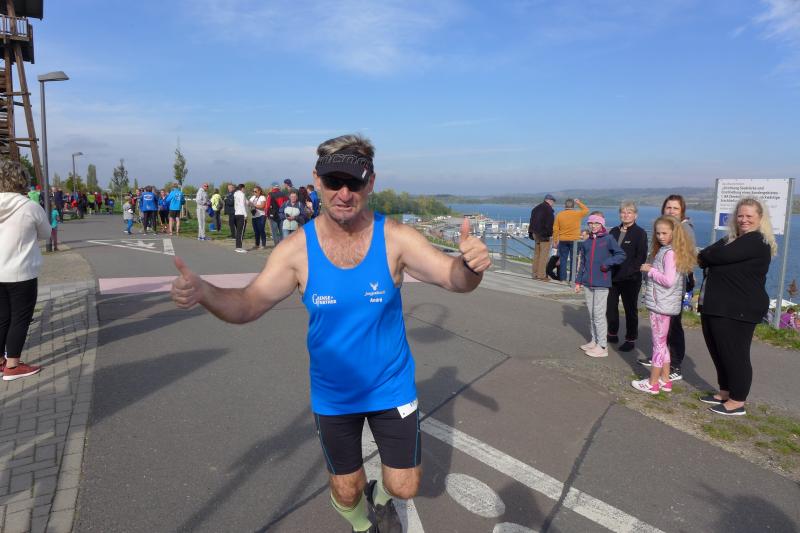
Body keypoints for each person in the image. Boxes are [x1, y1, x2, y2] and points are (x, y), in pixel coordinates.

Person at [170, 134, 490, 533]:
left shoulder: (395, 239)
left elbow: (453, 278)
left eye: (354, 182)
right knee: (346, 490)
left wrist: (470, 266)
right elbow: (248, 303)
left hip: (391, 386)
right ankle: (362, 525)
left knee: (404, 486)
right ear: (316, 180)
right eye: (333, 181)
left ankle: (382, 499)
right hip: (334, 395)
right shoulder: (296, 251)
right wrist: (204, 291)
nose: (344, 193)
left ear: (370, 183)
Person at [697, 197, 776, 416]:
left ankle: (737, 401)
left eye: (749, 216)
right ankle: (725, 391)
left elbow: (718, 255)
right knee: (719, 351)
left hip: (739, 308)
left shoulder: (756, 240)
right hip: (719, 305)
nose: (744, 220)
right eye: (740, 215)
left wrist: (710, 257)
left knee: (734, 354)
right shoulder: (732, 238)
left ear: (760, 218)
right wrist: (710, 256)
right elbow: (704, 256)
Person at [631, 216, 696, 394]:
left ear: (674, 233)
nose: (660, 236)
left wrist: (650, 270)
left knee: (658, 345)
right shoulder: (671, 251)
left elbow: (668, 280)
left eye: (664, 233)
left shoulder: (669, 253)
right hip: (664, 303)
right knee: (662, 343)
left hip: (661, 304)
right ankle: (665, 380)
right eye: (658, 233)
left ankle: (652, 383)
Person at [0, 158, 48, 381]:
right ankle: (12, 366)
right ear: (22, 180)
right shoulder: (30, 207)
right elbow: (46, 234)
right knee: (20, 317)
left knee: (2, 317)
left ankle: (1, 361)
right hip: (21, 271)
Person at [574, 213, 625, 358]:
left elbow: (621, 255)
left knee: (598, 314)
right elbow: (582, 263)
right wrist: (578, 281)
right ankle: (594, 340)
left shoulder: (608, 239)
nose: (593, 226)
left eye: (596, 223)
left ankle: (602, 346)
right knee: (591, 314)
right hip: (587, 283)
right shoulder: (587, 242)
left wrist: (607, 264)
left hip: (602, 283)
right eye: (591, 223)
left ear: (602, 224)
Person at [606, 201, 648, 352]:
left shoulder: (640, 233)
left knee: (630, 310)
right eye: (623, 212)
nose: (626, 215)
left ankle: (630, 339)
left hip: (630, 279)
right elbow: (607, 251)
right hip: (612, 276)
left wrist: (629, 271)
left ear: (635, 215)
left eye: (629, 212)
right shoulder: (613, 231)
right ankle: (612, 333)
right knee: (610, 307)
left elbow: (641, 256)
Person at [553, 198, 589, 282]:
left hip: (563, 239)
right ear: (573, 206)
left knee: (563, 259)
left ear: (565, 205)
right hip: (575, 240)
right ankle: (572, 279)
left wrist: (555, 240)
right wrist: (579, 203)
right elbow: (586, 210)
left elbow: (555, 229)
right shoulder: (577, 214)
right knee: (574, 260)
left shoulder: (559, 215)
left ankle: (562, 278)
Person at [528, 194, 556, 281]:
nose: (553, 204)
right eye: (553, 202)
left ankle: (535, 274)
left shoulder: (535, 209)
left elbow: (531, 221)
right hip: (544, 235)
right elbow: (549, 224)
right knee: (544, 256)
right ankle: (541, 275)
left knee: (537, 254)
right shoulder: (549, 210)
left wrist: (530, 233)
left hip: (535, 233)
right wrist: (550, 234)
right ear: (550, 201)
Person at [265, 182, 287, 247]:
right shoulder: (283, 194)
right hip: (282, 215)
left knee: (274, 232)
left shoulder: (270, 194)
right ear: (278, 187)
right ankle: (283, 246)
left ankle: (277, 246)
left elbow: (267, 205)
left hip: (273, 215)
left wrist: (266, 214)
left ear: (272, 187)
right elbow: (287, 204)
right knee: (282, 231)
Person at [248, 185, 267, 250]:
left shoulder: (262, 197)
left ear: (259, 191)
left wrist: (254, 205)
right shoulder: (253, 197)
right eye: (253, 191)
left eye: (255, 191)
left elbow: (262, 206)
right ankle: (257, 244)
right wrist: (250, 204)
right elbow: (249, 203)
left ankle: (263, 245)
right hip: (254, 216)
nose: (254, 193)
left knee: (261, 230)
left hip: (261, 215)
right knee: (256, 231)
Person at [233, 183, 247, 253]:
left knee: (238, 231)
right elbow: (242, 205)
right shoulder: (242, 194)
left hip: (236, 214)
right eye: (244, 188)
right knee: (241, 232)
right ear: (242, 188)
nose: (245, 190)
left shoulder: (235, 194)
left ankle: (237, 247)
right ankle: (239, 247)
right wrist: (245, 215)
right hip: (241, 214)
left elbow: (244, 202)